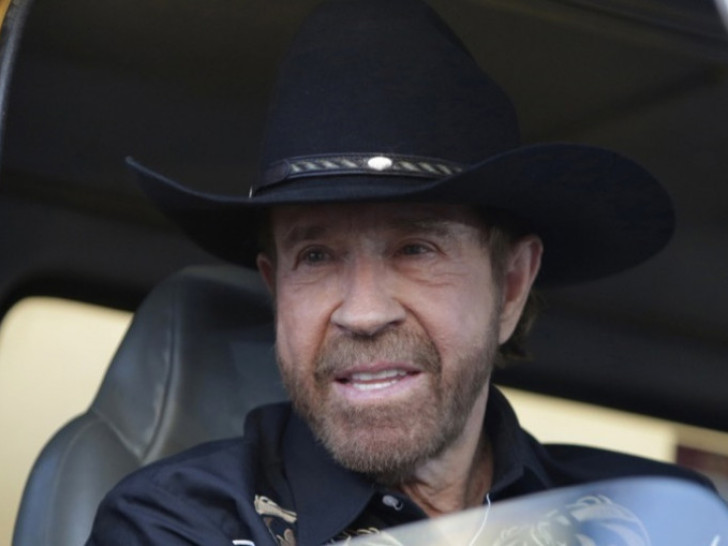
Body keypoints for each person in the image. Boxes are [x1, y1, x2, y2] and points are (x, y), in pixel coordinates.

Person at [86, 0, 716, 544]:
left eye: (417, 249)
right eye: (316, 256)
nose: (363, 313)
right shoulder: (178, 523)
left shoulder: (653, 519)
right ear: (277, 291)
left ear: (511, 288)